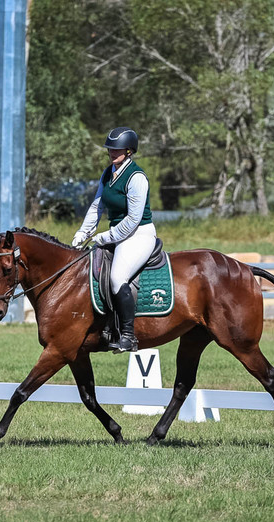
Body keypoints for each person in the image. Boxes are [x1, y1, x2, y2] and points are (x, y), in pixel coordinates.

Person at [72, 127, 156, 353]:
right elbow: (97, 205)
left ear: (129, 151)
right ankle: (105, 326)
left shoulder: (137, 177)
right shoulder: (108, 173)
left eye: (117, 149)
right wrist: (82, 233)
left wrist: (104, 236)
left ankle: (128, 335)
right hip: (118, 234)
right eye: (110, 148)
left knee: (118, 277)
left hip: (139, 234)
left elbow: (133, 220)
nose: (112, 152)